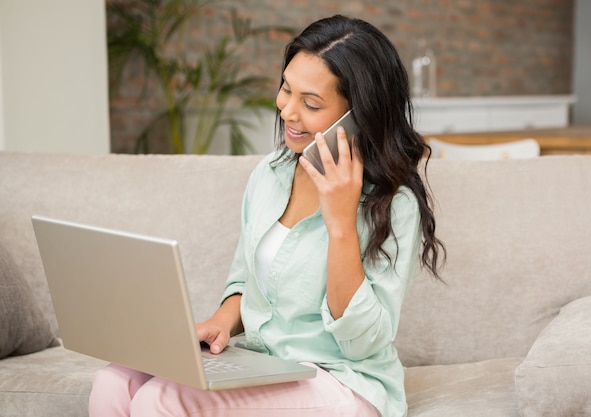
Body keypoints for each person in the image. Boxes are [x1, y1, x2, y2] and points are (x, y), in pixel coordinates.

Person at [89, 14, 444, 417]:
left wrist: (342, 223)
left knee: (161, 400)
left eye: (310, 103)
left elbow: (364, 342)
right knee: (114, 383)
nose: (288, 111)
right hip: (266, 364)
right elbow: (246, 276)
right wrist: (222, 322)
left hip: (343, 380)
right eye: (286, 90)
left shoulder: (393, 204)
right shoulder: (271, 173)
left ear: (359, 115)